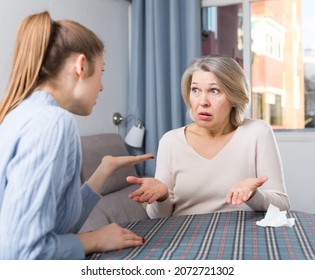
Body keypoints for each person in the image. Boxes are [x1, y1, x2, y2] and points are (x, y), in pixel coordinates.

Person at [0, 11, 154, 259]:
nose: (102, 85)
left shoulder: (18, 116)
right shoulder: (52, 123)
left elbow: (58, 225)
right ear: (81, 65)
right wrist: (93, 240)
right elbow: (23, 252)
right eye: (101, 71)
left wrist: (104, 169)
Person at [128, 54, 290, 219]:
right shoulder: (170, 142)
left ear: (234, 97)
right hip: (187, 236)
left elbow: (282, 205)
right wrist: (161, 197)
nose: (202, 101)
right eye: (195, 90)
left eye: (214, 91)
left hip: (243, 235)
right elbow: (158, 218)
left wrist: (254, 195)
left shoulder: (258, 132)